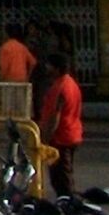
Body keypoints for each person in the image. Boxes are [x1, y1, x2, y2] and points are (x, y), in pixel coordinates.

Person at [38, 52, 83, 197]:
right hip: (70, 134)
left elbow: (54, 118)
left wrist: (44, 139)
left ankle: (69, 206)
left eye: (49, 65)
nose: (46, 67)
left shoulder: (61, 87)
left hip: (61, 138)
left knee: (61, 180)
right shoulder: (70, 83)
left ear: (56, 68)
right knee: (62, 176)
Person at [0, 23, 37, 88]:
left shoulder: (6, 47)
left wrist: (1, 78)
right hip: (22, 79)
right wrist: (27, 76)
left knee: (8, 98)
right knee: (20, 98)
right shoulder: (22, 47)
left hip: (9, 79)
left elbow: (3, 66)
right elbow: (33, 62)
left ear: (7, 34)